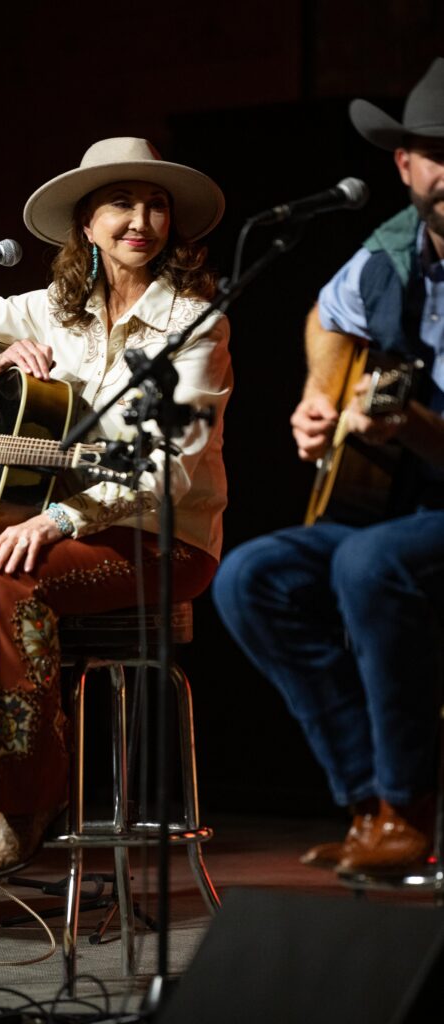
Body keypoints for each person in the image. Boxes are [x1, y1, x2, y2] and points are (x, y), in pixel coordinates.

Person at [0, 137, 232, 879]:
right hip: (69, 534)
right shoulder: (53, 311)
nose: (141, 219)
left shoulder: (196, 322)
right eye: (120, 203)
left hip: (165, 543)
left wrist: (55, 519)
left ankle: (26, 799)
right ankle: (23, 769)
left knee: (0, 576)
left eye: (155, 204)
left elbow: (168, 469)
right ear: (84, 226)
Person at [213, 58, 444, 874]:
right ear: (403, 164)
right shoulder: (390, 251)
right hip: (398, 507)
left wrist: (415, 430)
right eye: (432, 151)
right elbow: (325, 312)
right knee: (249, 578)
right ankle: (368, 808)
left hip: (412, 519)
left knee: (365, 561)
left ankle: (408, 801)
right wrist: (320, 393)